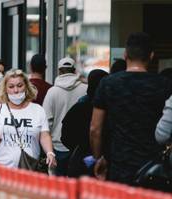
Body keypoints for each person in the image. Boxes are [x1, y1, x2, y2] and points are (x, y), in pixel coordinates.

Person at [90, 32, 172, 185]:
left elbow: (95, 128)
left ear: (125, 54)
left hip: (119, 165)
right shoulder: (164, 85)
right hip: (154, 167)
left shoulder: (108, 84)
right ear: (151, 55)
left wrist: (98, 157)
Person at [0, 69, 56, 169]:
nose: (16, 90)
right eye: (11, 87)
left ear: (26, 87)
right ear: (5, 89)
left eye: (19, 85)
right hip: (1, 171)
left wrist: (50, 153)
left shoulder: (38, 110)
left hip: (29, 170)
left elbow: (44, 135)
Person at [43, 57, 87, 176]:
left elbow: (47, 122)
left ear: (59, 71)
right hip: (80, 147)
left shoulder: (52, 92)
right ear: (74, 71)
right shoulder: (85, 89)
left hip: (58, 146)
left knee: (60, 185)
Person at [61, 69, 109, 177]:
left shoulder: (79, 107)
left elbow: (65, 135)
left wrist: (79, 148)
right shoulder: (109, 110)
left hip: (80, 162)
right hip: (104, 163)